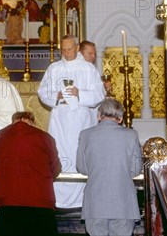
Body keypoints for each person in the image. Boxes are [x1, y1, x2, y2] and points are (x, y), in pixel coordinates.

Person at [37, 34, 105, 209]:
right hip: (59, 121)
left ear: (76, 48)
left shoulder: (88, 69)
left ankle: (82, 198)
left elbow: (99, 95)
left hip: (81, 122)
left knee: (79, 156)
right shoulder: (54, 68)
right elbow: (42, 92)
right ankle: (58, 197)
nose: (66, 53)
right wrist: (56, 96)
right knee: (60, 153)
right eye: (63, 50)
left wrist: (79, 93)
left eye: (69, 49)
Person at [76, 98, 143, 236]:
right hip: (123, 200)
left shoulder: (85, 135)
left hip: (95, 201)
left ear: (99, 115)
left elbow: (82, 167)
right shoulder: (131, 135)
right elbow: (136, 169)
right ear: (120, 118)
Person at [0, 111, 61, 236]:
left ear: (13, 121)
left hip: (9, 203)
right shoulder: (45, 137)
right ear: (32, 122)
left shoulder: (0, 136)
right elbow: (55, 169)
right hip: (40, 204)